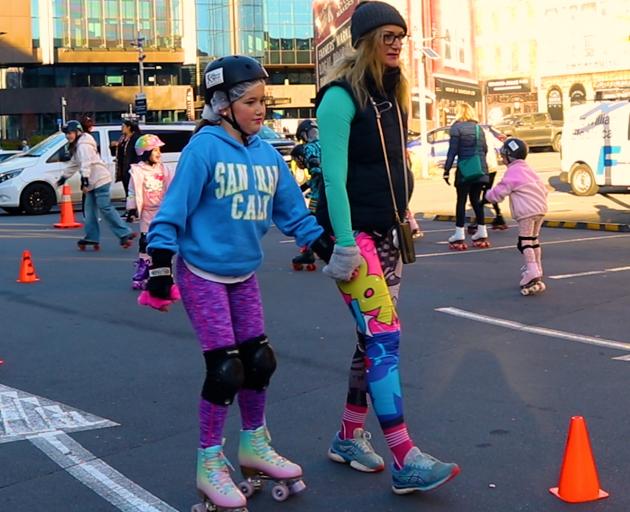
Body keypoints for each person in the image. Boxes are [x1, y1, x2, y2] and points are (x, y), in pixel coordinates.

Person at [139, 55, 332, 511]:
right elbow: (173, 211)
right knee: (226, 369)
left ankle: (253, 445)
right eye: (250, 101)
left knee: (259, 361)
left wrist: (328, 248)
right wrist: (161, 265)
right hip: (202, 271)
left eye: (264, 100)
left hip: (243, 272)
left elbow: (292, 212)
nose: (261, 109)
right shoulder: (204, 149)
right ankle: (209, 463)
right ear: (222, 104)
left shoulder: (266, 152)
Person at [315, 0, 460, 495]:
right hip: (353, 236)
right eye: (386, 34)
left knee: (370, 338)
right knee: (384, 338)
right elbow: (334, 180)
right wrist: (341, 244)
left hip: (388, 231)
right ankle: (403, 455)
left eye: (400, 33)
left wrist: (405, 210)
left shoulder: (392, 95)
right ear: (364, 41)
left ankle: (348, 437)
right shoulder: (339, 97)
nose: (396, 40)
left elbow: (392, 166)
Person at [56, 120, 135, 250]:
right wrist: (64, 177)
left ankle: (125, 232)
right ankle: (92, 237)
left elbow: (86, 163)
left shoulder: (83, 145)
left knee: (105, 208)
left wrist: (85, 180)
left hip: (100, 180)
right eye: (66, 134)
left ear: (78, 132)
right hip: (93, 181)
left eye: (69, 133)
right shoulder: (79, 144)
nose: (68, 136)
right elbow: (75, 163)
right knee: (90, 211)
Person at [485, 137, 548, 295]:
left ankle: (532, 269)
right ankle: (538, 267)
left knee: (525, 241)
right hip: (540, 209)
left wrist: (487, 196)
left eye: (503, 155)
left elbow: (500, 191)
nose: (502, 158)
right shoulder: (529, 169)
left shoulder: (513, 172)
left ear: (509, 156)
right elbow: (544, 188)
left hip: (527, 212)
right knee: (534, 240)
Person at [125, 134, 174, 290]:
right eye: (155, 150)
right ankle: (143, 269)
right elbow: (132, 191)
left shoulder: (164, 169)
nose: (158, 153)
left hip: (163, 212)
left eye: (159, 150)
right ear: (145, 152)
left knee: (163, 243)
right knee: (145, 242)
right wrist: (131, 209)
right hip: (147, 212)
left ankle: (163, 272)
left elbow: (174, 189)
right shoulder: (138, 171)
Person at [443, 102, 490, 250]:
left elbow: (452, 151)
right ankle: (482, 231)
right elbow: (485, 149)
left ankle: (459, 233)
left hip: (464, 170)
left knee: (461, 201)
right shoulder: (478, 129)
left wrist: (446, 170)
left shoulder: (456, 128)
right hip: (480, 169)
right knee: (476, 200)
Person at [291, 119, 323, 271]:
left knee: (310, 223)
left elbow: (315, 170)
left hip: (319, 196)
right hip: (334, 189)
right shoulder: (325, 143)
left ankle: (308, 253)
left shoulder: (309, 148)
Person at [115, 119, 142, 196]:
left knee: (133, 189)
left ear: (129, 127)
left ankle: (135, 205)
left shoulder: (135, 138)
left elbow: (138, 153)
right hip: (124, 168)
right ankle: (129, 204)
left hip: (132, 167)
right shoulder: (122, 139)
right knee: (127, 188)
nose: (121, 128)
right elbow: (120, 152)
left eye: (123, 126)